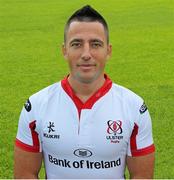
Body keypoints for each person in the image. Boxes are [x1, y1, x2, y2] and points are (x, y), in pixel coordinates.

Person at [14, 5, 155, 179]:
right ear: (65, 50)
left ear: (108, 51)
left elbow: (142, 176)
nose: (86, 54)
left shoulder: (134, 107)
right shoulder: (36, 106)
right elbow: (24, 175)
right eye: (77, 44)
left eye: (95, 44)